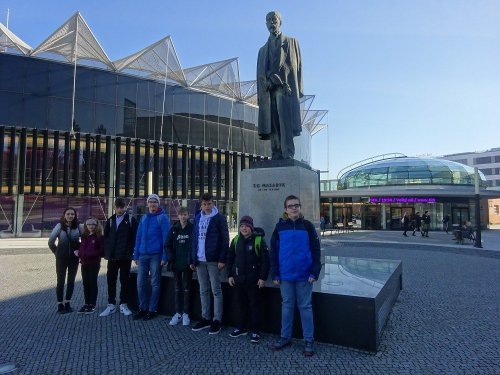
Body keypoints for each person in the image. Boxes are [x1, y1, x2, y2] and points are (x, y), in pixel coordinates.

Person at [270, 195, 322, 357]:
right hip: (285, 275)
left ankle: (308, 340)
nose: (294, 208)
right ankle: (285, 337)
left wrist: (314, 271)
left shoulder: (307, 226)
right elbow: (273, 252)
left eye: (296, 205)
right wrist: (275, 273)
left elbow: (315, 250)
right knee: (287, 306)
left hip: (304, 274)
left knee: (305, 307)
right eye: (290, 206)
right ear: (285, 209)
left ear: (300, 207)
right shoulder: (279, 227)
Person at [257, 11, 303, 160]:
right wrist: (267, 84)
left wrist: (299, 90)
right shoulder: (262, 50)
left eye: (274, 19)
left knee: (285, 121)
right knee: (273, 123)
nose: (271, 22)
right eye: (268, 20)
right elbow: (260, 74)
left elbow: (298, 67)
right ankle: (276, 153)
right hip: (269, 89)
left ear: (280, 22)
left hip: (285, 89)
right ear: (265, 24)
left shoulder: (291, 42)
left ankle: (288, 152)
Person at [190, 193, 229, 335]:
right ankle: (205, 317)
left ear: (213, 203)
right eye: (204, 204)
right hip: (199, 260)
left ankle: (217, 319)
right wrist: (192, 259)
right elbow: (194, 239)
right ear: (201, 204)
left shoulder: (219, 218)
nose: (207, 207)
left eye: (209, 204)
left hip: (213, 260)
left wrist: (222, 259)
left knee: (216, 290)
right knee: (203, 290)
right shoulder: (198, 217)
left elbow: (225, 240)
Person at [227, 216, 270, 343]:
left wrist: (263, 278)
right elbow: (230, 258)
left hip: (254, 280)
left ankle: (255, 331)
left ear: (251, 227)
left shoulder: (258, 240)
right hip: (238, 279)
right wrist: (229, 275)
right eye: (241, 226)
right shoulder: (235, 240)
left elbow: (265, 261)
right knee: (240, 304)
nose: (243, 228)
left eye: (246, 226)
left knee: (254, 306)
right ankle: (241, 327)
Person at [133, 194, 170, 321]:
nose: (152, 204)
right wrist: (136, 254)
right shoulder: (143, 218)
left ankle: (152, 309)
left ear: (158, 204)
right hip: (143, 255)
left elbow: (166, 239)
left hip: (156, 255)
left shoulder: (163, 218)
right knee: (140, 283)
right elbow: (138, 237)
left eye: (155, 202)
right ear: (147, 204)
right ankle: (142, 308)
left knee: (155, 283)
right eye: (150, 202)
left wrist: (164, 256)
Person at [100, 198, 138, 317]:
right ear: (115, 207)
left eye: (122, 207)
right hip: (112, 257)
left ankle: (123, 304)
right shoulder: (110, 220)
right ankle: (111, 304)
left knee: (124, 281)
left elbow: (135, 238)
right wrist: (107, 252)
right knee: (111, 280)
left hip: (125, 257)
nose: (120, 209)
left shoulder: (131, 220)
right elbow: (106, 237)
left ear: (125, 207)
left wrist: (131, 252)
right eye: (118, 207)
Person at [48, 207, 83, 314]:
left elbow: (85, 241)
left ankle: (67, 303)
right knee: (60, 282)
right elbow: (51, 242)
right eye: (68, 214)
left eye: (72, 214)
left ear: (75, 215)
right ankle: (60, 305)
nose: (70, 216)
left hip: (74, 259)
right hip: (61, 259)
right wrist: (57, 253)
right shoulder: (59, 226)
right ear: (64, 215)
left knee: (71, 281)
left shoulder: (79, 227)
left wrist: (79, 250)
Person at [163, 207, 194, 326]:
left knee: (187, 289)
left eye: (185, 214)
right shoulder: (174, 229)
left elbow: (194, 245)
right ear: (178, 216)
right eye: (181, 215)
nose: (183, 217)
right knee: (177, 289)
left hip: (187, 264)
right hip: (176, 263)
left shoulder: (192, 229)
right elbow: (167, 245)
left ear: (188, 215)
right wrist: (171, 257)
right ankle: (178, 312)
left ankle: (186, 313)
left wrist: (191, 260)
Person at [75, 217, 104, 314]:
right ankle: (87, 303)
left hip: (94, 263)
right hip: (84, 263)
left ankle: (92, 304)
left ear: (96, 225)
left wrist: (88, 254)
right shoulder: (84, 236)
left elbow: (101, 250)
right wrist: (78, 252)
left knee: (92, 283)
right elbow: (82, 248)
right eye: (88, 224)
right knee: (85, 283)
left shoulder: (99, 236)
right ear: (85, 225)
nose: (91, 226)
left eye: (93, 224)